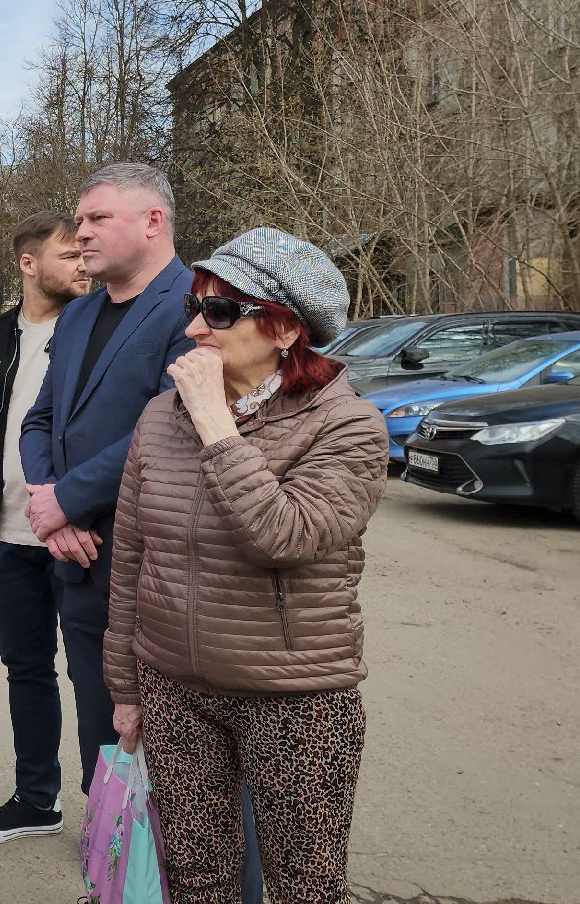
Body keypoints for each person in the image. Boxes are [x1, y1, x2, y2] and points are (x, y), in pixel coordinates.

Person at [107, 228, 387, 902]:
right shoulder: (158, 415)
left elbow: (283, 536)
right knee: (197, 879)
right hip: (175, 686)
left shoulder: (346, 425)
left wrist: (216, 424)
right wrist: (124, 686)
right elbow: (132, 554)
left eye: (222, 312)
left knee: (305, 884)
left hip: (295, 697)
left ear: (285, 328)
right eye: (192, 309)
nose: (198, 327)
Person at [19, 162, 194, 800]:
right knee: (98, 727)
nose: (80, 233)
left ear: (153, 222)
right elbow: (40, 421)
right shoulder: (77, 317)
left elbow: (174, 428)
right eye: (80, 219)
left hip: (155, 566)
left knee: (170, 745)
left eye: (97, 218)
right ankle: (110, 859)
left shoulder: (195, 308)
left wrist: (66, 500)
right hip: (81, 562)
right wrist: (51, 503)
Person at [0, 212, 92, 843]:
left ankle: (108, 816)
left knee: (94, 677)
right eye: (68, 254)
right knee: (25, 670)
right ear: (29, 263)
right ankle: (37, 799)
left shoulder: (95, 329)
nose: (82, 263)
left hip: (78, 536)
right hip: (6, 535)